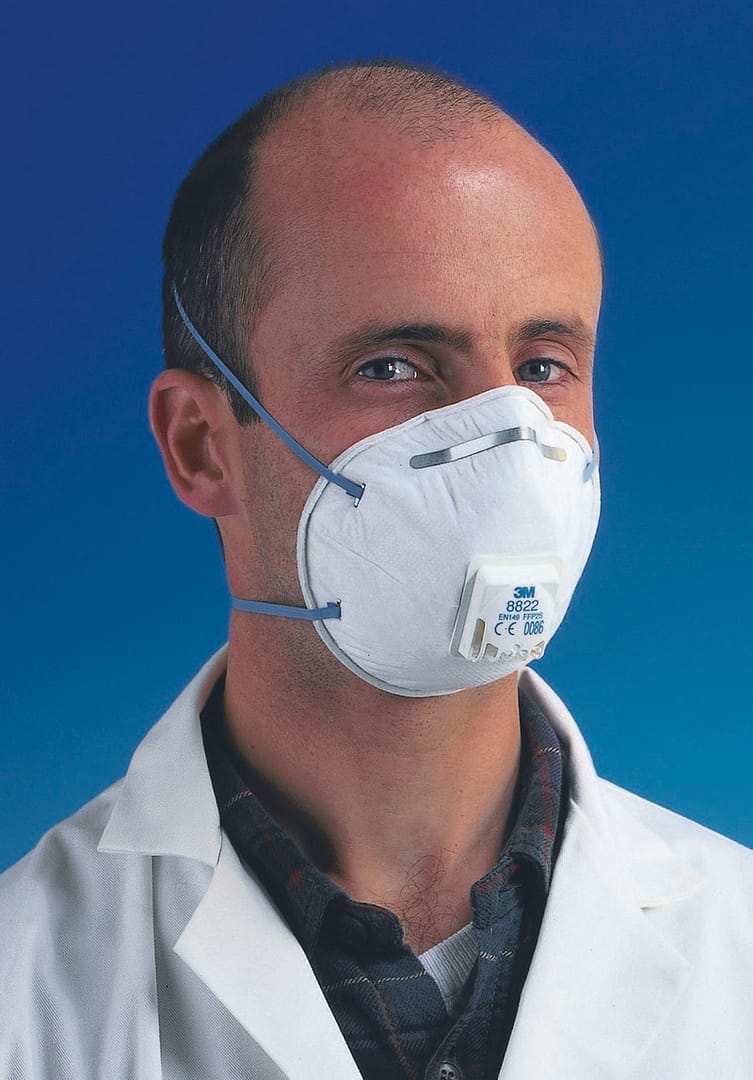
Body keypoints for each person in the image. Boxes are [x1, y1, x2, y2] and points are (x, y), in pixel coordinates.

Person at [1, 61, 751, 1080]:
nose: (504, 443)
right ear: (200, 445)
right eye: (393, 367)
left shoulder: (738, 948)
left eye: (541, 366)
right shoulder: (24, 998)